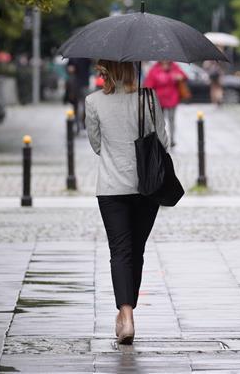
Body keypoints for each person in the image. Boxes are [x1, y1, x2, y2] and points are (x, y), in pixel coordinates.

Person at [85, 60, 169, 345]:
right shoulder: (148, 98)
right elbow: (163, 141)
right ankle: (128, 312)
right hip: (146, 186)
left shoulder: (93, 101)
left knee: (120, 251)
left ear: (107, 71)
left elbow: (96, 144)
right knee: (137, 250)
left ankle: (126, 315)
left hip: (111, 188)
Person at [143, 60, 186, 147]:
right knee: (159, 121)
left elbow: (184, 76)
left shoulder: (174, 67)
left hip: (172, 98)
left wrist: (179, 77)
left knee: (171, 119)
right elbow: (148, 84)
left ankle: (172, 139)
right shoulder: (155, 68)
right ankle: (161, 138)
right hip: (159, 100)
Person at [65, 57, 92, 132]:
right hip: (75, 84)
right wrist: (70, 69)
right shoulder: (73, 57)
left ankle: (83, 123)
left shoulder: (86, 57)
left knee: (85, 105)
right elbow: (68, 68)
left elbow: (91, 64)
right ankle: (77, 124)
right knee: (75, 105)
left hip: (84, 84)